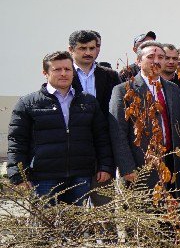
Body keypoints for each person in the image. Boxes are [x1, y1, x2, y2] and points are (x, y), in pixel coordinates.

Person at [7, 51, 114, 205]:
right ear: (45, 73)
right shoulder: (28, 103)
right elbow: (17, 141)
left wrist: (105, 166)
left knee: (76, 225)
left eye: (67, 69)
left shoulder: (88, 102)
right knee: (47, 226)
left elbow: (101, 137)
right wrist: (18, 176)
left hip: (80, 175)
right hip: (44, 178)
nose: (63, 73)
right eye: (57, 70)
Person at [109, 41, 180, 192]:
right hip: (141, 165)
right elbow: (118, 133)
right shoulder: (123, 90)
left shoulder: (173, 89)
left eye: (161, 57)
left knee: (175, 211)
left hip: (172, 162)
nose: (156, 61)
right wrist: (127, 167)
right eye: (151, 57)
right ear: (139, 61)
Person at [68, 29, 121, 118]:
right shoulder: (63, 75)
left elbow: (118, 108)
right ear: (71, 49)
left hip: (103, 129)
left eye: (92, 48)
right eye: (83, 48)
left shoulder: (111, 76)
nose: (88, 53)